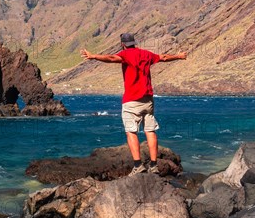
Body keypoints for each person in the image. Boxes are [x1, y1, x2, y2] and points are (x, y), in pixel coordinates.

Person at [80, 33, 187, 175]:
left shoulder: (125, 54)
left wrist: (93, 56)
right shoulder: (146, 54)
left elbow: (111, 58)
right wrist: (179, 56)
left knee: (131, 131)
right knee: (150, 130)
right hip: (148, 99)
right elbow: (164, 57)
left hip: (132, 100)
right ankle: (154, 166)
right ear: (134, 42)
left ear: (123, 44)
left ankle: (138, 165)